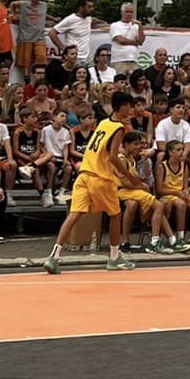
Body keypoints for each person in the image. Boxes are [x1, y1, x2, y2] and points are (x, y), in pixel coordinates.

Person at [46, 90, 141, 273]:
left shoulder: (104, 122)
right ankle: (114, 257)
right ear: (122, 107)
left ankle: (54, 256)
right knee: (115, 215)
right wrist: (130, 177)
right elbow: (113, 157)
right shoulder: (119, 127)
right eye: (129, 106)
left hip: (84, 175)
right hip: (100, 177)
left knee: (74, 215)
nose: (130, 110)